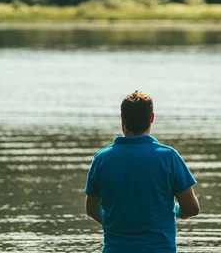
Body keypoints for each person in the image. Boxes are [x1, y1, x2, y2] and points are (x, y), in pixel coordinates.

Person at [85, 91, 200, 253]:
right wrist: (175, 211)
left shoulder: (102, 159)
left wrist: (115, 224)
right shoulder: (168, 157)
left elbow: (91, 210)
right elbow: (191, 208)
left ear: (122, 118)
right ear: (151, 118)